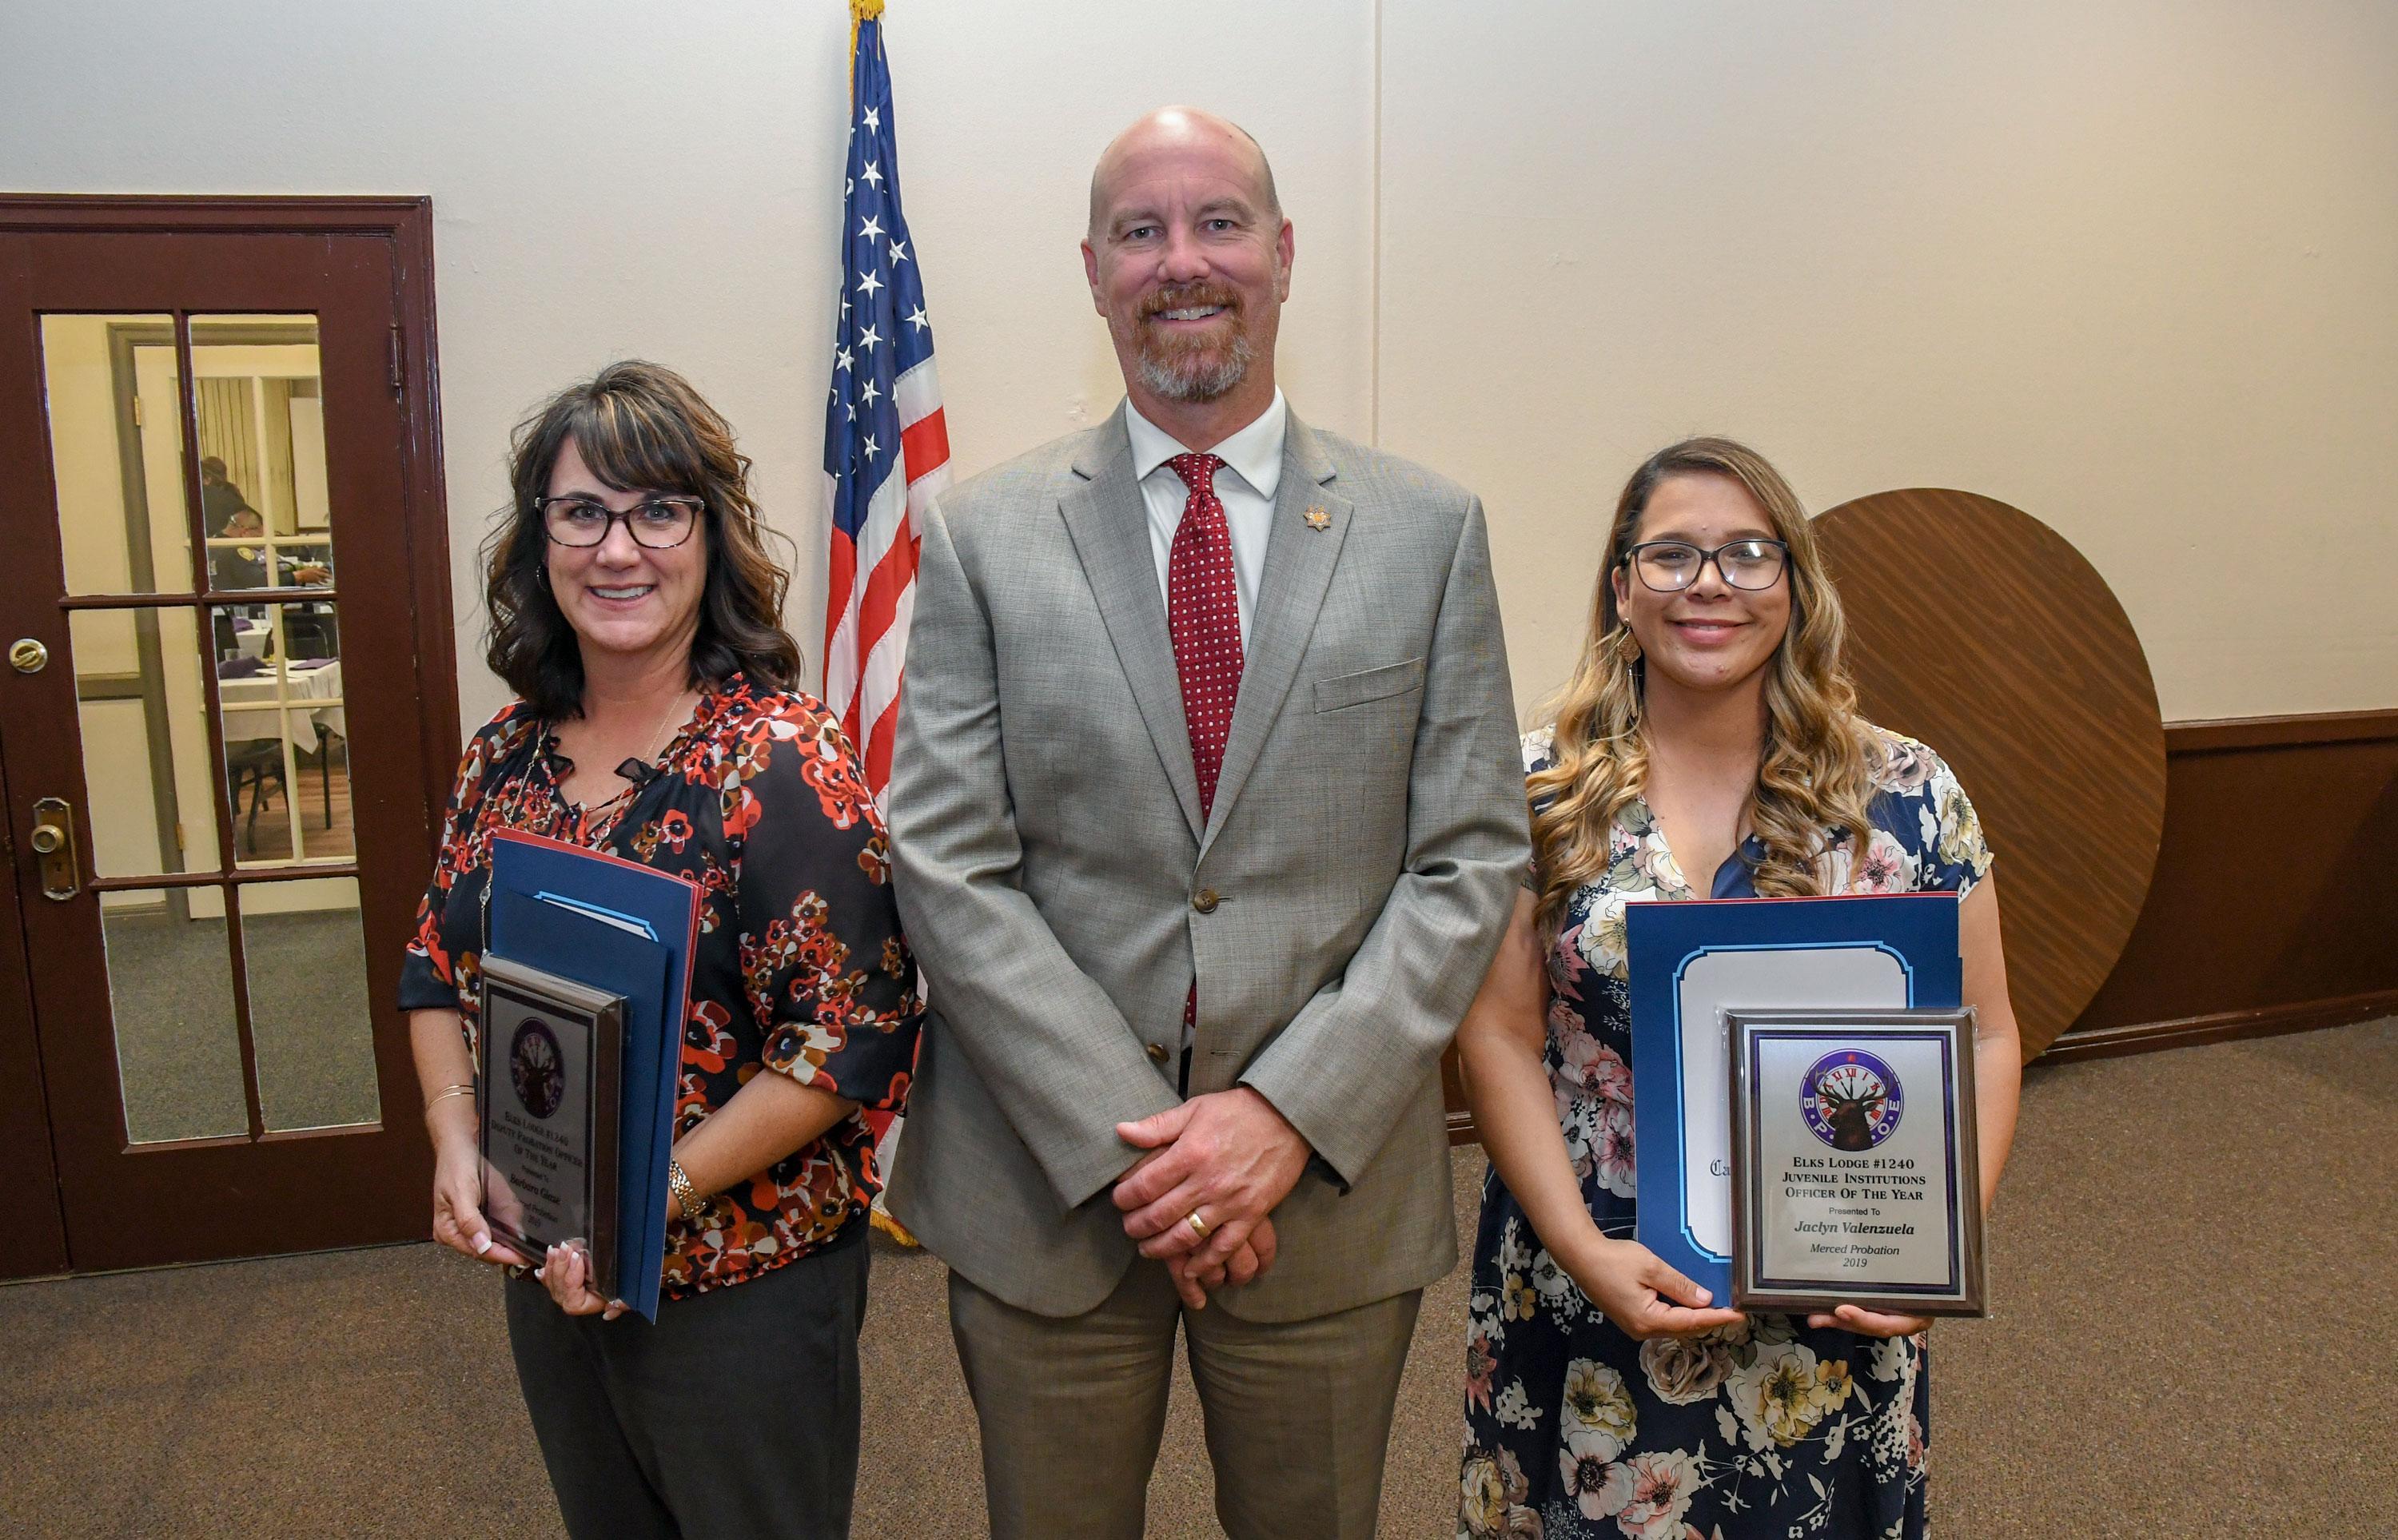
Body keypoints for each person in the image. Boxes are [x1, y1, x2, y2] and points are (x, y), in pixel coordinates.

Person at [883, 106, 1528, 1539]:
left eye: (1220, 222)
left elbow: (1469, 855)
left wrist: (1281, 1116)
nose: (1184, 261)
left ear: (1285, 255)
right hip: (1052, 1193)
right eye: (1142, 231)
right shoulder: (982, 535)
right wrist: (1139, 1154)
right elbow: (945, 858)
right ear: (1097, 272)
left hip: (1324, 1186)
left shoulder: (1428, 532)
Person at [1453, 437, 2023, 1538]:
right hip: (1597, 1269)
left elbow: (1991, 1036)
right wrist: (1582, 1249)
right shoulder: (1531, 789)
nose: (1709, 582)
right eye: (1670, 555)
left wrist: (1940, 1250)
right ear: (1622, 586)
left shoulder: (1907, 793)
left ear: (1796, 589)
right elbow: (1498, 1036)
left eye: (1749, 554)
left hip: (1838, 1272)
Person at [399, 360, 918, 1539]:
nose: (617, 548)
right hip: (550, 1265)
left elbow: (850, 1044)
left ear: (709, 534)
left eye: (657, 510)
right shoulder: (504, 755)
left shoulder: (782, 761)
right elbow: (434, 960)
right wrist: (455, 1137)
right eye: (582, 512)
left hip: (740, 1289)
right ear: (541, 541)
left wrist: (652, 1197)